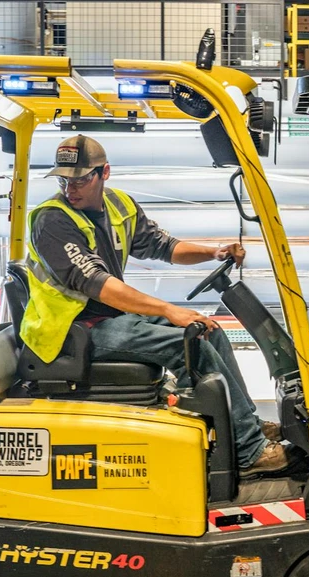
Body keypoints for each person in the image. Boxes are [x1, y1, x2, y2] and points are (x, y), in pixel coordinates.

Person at [19, 134, 288, 477]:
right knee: (189, 345)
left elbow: (164, 246)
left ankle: (244, 425)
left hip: (106, 318)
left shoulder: (119, 206)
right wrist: (167, 310)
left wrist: (212, 252)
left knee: (209, 331)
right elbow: (97, 284)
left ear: (105, 173)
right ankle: (248, 451)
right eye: (64, 179)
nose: (71, 188)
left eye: (81, 179)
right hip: (71, 331)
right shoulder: (52, 221)